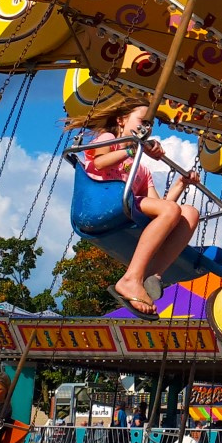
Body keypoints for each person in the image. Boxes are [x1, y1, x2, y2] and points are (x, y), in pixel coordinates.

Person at [65, 96, 200, 320]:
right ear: (121, 120)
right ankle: (130, 279)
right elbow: (99, 163)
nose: (146, 128)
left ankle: (152, 276)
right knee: (172, 211)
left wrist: (181, 183)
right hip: (102, 199)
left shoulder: (142, 172)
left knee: (189, 213)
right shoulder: (109, 138)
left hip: (127, 205)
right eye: (142, 121)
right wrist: (133, 149)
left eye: (149, 125)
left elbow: (165, 207)